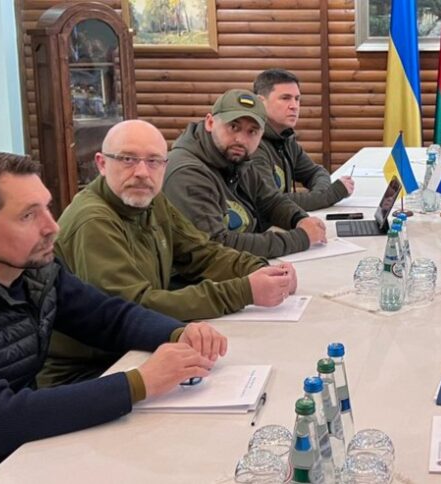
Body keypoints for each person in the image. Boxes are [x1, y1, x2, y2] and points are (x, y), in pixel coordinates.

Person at [0, 152, 228, 482]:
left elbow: (108, 317)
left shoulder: (34, 269)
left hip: (22, 451)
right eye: (28, 215)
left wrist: (179, 333)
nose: (52, 227)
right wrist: (141, 382)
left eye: (47, 208)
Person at [43, 120, 298, 387]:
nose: (142, 172)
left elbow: (201, 253)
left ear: (165, 165)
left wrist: (259, 269)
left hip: (136, 351)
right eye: (128, 159)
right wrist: (243, 291)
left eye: (154, 161)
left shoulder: (151, 200)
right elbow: (134, 309)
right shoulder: (93, 221)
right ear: (102, 164)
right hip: (88, 373)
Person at [163, 89, 327, 259]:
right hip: (199, 272)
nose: (241, 140)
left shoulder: (236, 159)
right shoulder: (186, 174)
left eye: (252, 131)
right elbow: (216, 245)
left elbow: (270, 201)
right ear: (210, 123)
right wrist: (301, 238)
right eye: (233, 127)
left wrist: (299, 219)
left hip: (238, 266)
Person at [252, 69, 354, 211]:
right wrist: (332, 194)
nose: (294, 106)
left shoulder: (285, 138)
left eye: (297, 99)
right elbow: (272, 202)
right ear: (260, 102)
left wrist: (320, 196)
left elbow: (316, 172)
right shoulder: (252, 144)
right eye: (285, 98)